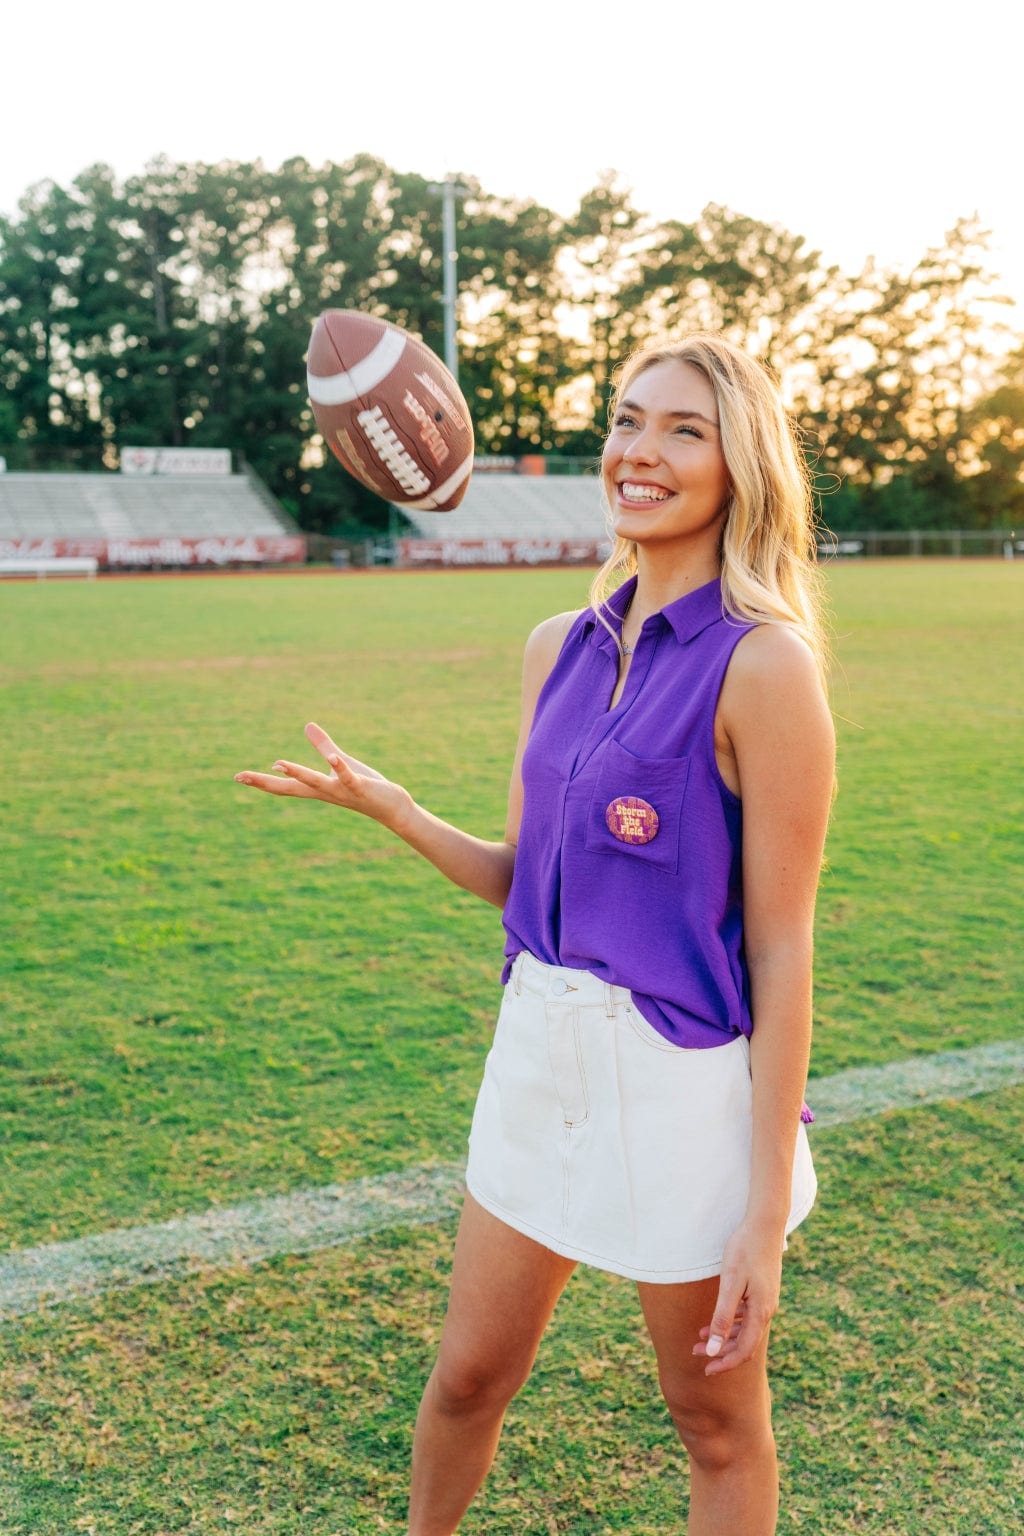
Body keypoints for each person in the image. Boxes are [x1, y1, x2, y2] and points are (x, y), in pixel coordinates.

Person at [234, 332, 836, 1535]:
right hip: (537, 1052)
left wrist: (761, 1210)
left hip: (682, 1088)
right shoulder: (554, 646)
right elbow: (526, 883)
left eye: (683, 429)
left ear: (741, 467)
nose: (639, 451)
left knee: (713, 1421)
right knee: (466, 1379)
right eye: (624, 419)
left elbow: (780, 950)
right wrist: (393, 808)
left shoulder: (765, 668)